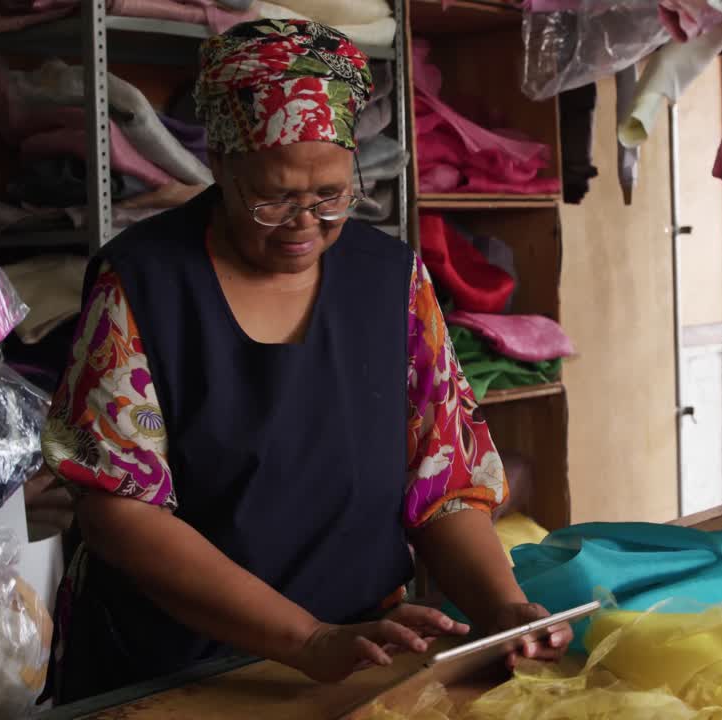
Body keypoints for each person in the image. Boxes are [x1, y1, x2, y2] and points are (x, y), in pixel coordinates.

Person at [40, 18, 568, 703]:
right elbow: (120, 513)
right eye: (275, 198)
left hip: (360, 653)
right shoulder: (143, 284)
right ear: (222, 167)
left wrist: (503, 610)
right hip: (177, 669)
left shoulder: (392, 280)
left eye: (331, 196)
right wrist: (304, 639)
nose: (305, 224)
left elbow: (443, 481)